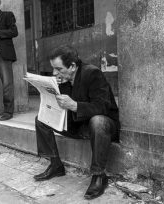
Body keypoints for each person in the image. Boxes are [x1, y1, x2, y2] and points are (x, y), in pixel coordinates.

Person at [34, 45, 119, 200]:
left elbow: (103, 106)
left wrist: (74, 105)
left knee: (98, 121)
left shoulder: (92, 73)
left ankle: (99, 175)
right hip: (77, 124)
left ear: (72, 66)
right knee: (41, 118)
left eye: (58, 69)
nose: (55, 73)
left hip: (102, 126)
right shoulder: (64, 79)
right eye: (53, 69)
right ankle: (55, 165)